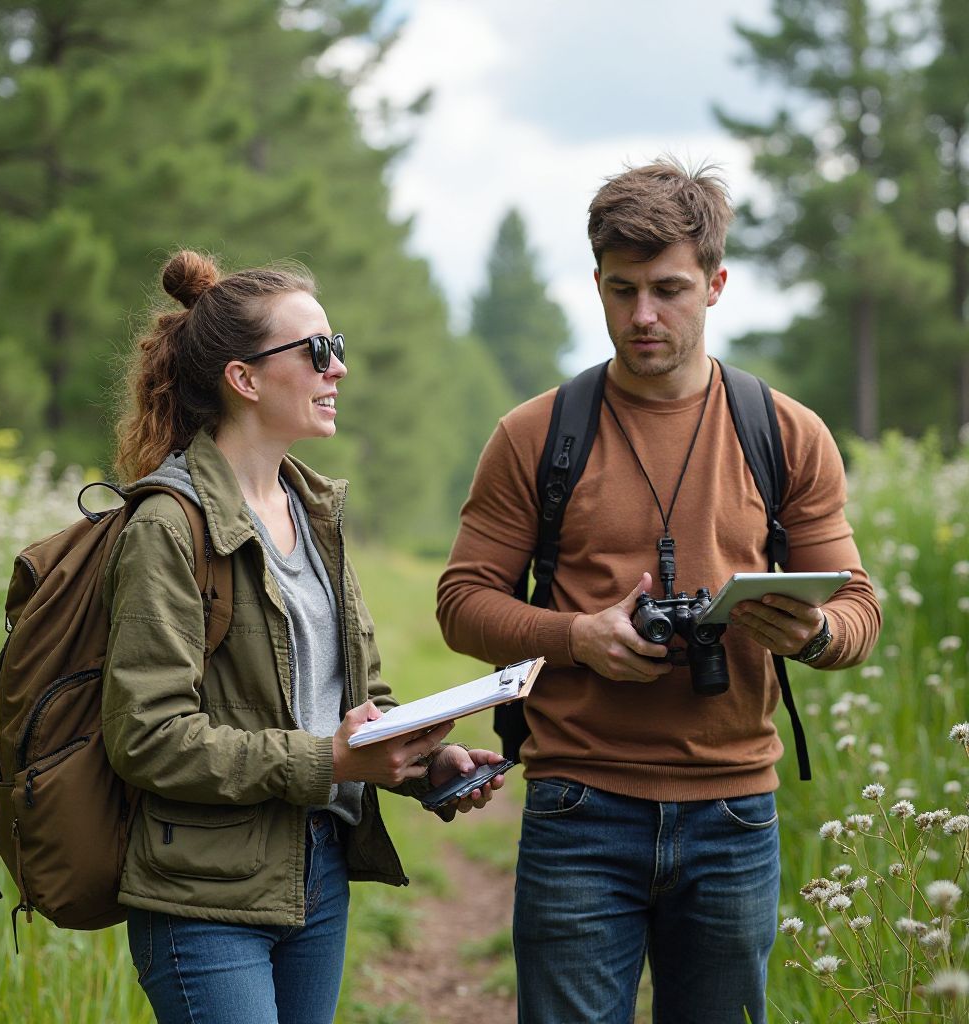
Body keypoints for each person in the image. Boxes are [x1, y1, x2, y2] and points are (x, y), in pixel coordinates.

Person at [436, 160, 882, 1023]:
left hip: (735, 814)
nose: (643, 315)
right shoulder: (537, 435)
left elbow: (858, 610)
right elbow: (461, 602)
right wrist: (579, 637)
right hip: (579, 806)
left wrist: (812, 633)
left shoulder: (784, 433)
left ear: (716, 284)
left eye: (670, 289)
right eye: (622, 289)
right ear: (596, 284)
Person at [103, 249, 507, 1024]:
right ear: (244, 379)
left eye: (339, 347)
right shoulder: (168, 524)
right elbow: (146, 737)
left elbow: (357, 699)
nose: (338, 370)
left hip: (317, 870)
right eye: (317, 352)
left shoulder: (313, 512)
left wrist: (422, 761)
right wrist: (331, 759)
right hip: (204, 898)